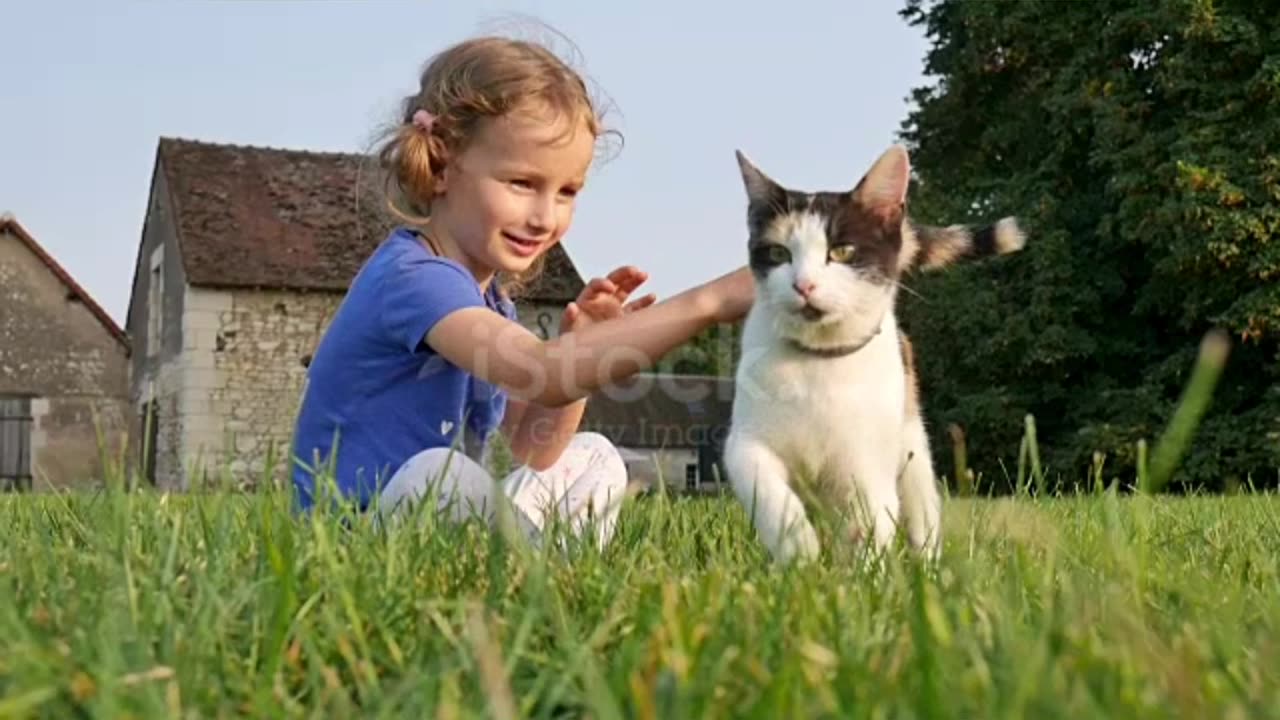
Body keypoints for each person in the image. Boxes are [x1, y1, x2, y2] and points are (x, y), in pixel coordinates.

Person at [290, 34, 753, 548]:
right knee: (442, 474)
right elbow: (546, 374)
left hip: (439, 519)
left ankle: (538, 561)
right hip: (353, 532)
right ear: (442, 167)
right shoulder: (414, 278)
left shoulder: (491, 303)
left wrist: (583, 349)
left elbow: (536, 449)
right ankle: (537, 568)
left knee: (593, 454)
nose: (545, 216)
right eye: (521, 184)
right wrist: (708, 303)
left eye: (567, 192)